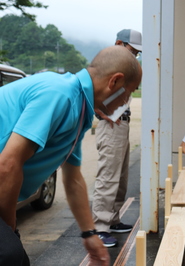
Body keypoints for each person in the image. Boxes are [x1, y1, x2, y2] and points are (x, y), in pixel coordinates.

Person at [0, 45, 142, 265]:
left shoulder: (79, 108)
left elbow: (73, 179)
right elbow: (8, 164)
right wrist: (10, 229)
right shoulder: (60, 94)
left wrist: (89, 234)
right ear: (114, 82)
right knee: (11, 256)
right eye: (129, 92)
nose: (126, 102)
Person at [92, 29, 142, 248]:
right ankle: (99, 227)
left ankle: (112, 220)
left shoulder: (125, 66)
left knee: (120, 176)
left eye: (137, 53)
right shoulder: (107, 63)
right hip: (111, 124)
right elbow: (90, 92)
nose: (134, 55)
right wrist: (100, 111)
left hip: (122, 122)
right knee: (108, 176)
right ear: (119, 43)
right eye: (132, 50)